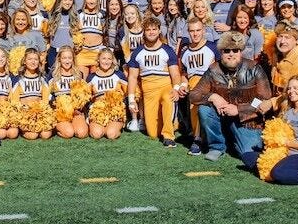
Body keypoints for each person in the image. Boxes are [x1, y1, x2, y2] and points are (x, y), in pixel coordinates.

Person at [188, 31, 269, 161]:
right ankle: (216, 146)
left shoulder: (254, 68)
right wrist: (212, 96)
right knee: (204, 109)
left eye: (235, 50)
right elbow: (193, 95)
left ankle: (232, 141)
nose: (231, 54)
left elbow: (263, 99)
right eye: (227, 51)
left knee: (249, 153)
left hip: (247, 121)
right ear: (221, 52)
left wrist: (239, 109)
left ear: (241, 51)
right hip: (222, 116)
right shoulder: (213, 69)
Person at [127, 16, 182, 148]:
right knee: (152, 133)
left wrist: (176, 88)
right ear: (144, 32)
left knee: (168, 99)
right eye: (148, 30)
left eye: (154, 29)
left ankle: (169, 135)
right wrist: (131, 99)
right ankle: (171, 123)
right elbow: (133, 77)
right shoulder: (137, 52)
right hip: (149, 91)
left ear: (159, 31)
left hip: (165, 86)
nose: (151, 32)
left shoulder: (167, 50)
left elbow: (175, 73)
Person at [179, 17, 220, 155]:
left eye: (198, 30)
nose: (195, 34)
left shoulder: (212, 47)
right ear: (188, 32)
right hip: (192, 85)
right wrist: (183, 85)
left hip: (210, 83)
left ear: (203, 31)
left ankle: (198, 138)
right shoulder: (185, 51)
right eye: (192, 31)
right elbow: (184, 74)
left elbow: (221, 69)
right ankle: (197, 136)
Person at [87, 48, 128, 140]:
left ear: (113, 60)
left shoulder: (119, 74)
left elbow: (128, 93)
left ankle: (116, 125)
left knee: (111, 134)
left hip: (115, 111)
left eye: (109, 59)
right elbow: (86, 97)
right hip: (98, 111)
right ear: (98, 60)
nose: (106, 61)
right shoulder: (91, 77)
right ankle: (102, 126)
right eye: (103, 58)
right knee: (96, 134)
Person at [50, 46, 87, 139]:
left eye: (69, 58)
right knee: (69, 133)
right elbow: (48, 97)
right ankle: (56, 127)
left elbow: (83, 97)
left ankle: (75, 124)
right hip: (60, 114)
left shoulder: (79, 75)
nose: (67, 61)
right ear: (59, 59)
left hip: (75, 112)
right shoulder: (52, 75)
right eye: (64, 58)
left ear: (73, 59)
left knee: (81, 133)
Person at [270, 21, 298, 91]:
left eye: (287, 37)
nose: (282, 41)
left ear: (296, 40)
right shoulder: (278, 54)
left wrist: (272, 102)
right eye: (280, 36)